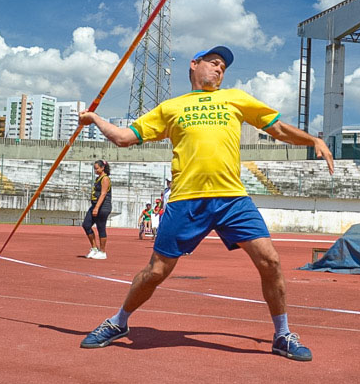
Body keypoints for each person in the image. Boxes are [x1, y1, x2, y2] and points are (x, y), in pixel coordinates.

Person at [77, 45, 334, 362]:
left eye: (224, 67)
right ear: (194, 64)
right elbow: (123, 138)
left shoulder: (235, 99)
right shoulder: (171, 108)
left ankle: (282, 334)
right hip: (186, 200)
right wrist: (95, 119)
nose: (219, 70)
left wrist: (313, 140)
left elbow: (277, 128)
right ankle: (118, 322)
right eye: (214, 63)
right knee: (157, 271)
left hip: (231, 198)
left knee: (270, 261)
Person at [82, 160, 112, 260]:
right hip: (95, 205)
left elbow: (103, 194)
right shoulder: (98, 178)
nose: (95, 170)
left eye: (97, 168)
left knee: (100, 227)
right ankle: (94, 248)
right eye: (95, 168)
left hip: (103, 207)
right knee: (86, 224)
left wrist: (97, 207)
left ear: (102, 168)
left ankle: (103, 252)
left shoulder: (105, 179)